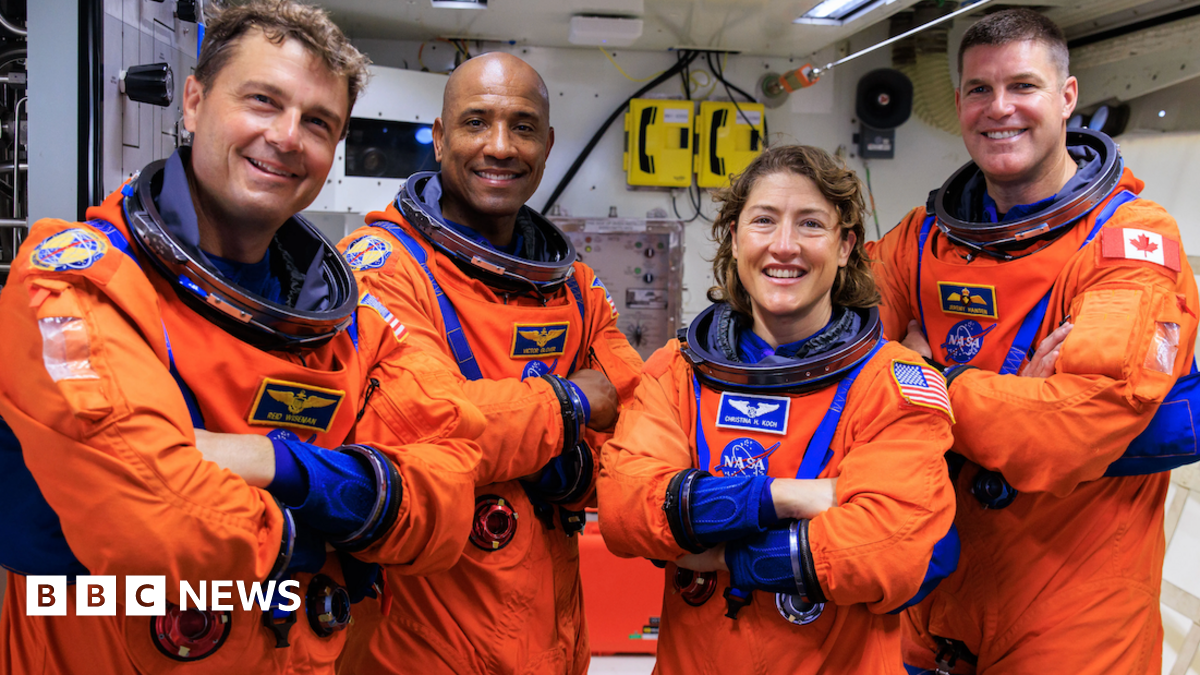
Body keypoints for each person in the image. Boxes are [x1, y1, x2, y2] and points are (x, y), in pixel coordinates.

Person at [0, 2, 484, 673]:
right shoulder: (77, 278)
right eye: (263, 101)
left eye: (318, 122)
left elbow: (448, 500)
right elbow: (156, 521)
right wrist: (340, 519)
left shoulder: (357, 323)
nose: (287, 136)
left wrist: (273, 464)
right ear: (194, 101)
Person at [868, 9, 1199, 674]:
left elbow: (1071, 428)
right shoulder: (920, 239)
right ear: (959, 101)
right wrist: (1018, 396)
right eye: (981, 90)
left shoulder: (1130, 243)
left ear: (1067, 97)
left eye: (1024, 86)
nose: (1000, 110)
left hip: (1073, 621)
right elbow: (836, 377)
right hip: (929, 610)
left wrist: (926, 374)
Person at [335, 52, 643, 675]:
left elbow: (641, 438)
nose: (500, 146)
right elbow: (429, 427)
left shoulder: (576, 288)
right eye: (476, 122)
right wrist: (572, 405)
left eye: (523, 126)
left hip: (554, 643)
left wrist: (573, 466)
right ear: (442, 137)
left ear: (548, 144)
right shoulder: (380, 269)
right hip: (417, 646)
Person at [596, 145, 959, 674]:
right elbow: (626, 511)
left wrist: (721, 554)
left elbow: (889, 551)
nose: (783, 247)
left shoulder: (894, 382)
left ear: (844, 246)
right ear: (735, 236)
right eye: (764, 221)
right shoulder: (678, 370)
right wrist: (792, 497)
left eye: (811, 224)